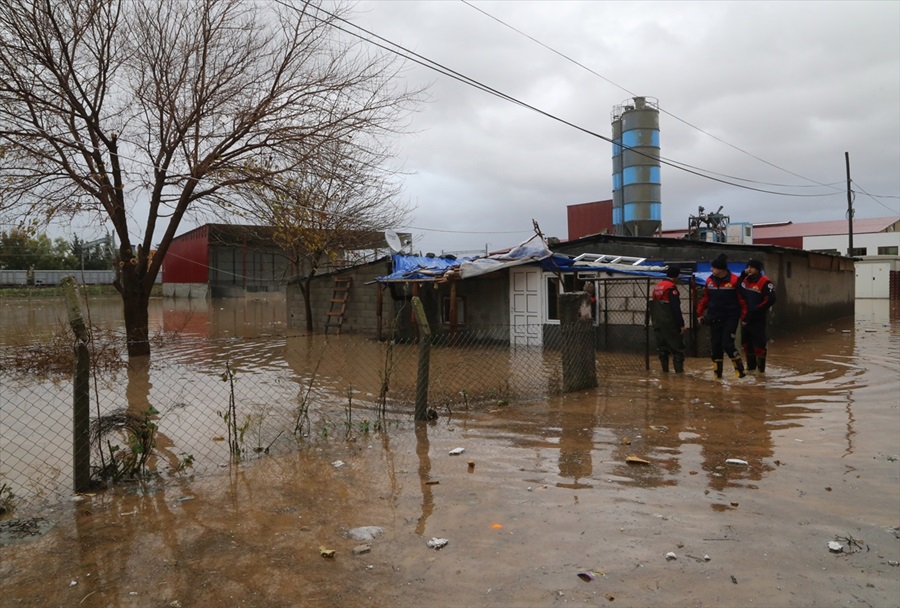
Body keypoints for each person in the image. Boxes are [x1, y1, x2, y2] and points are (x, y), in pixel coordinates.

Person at [697, 253, 747, 379]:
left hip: (730, 317)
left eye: (713, 268)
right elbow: (705, 298)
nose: (711, 270)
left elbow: (743, 301)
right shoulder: (709, 281)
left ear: (721, 269)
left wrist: (745, 317)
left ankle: (740, 371)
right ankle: (717, 374)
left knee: (727, 344)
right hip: (714, 317)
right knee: (715, 346)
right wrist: (700, 312)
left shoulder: (735, 281)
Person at [739, 258, 777, 372]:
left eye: (751, 268)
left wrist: (758, 309)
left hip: (757, 318)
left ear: (757, 269)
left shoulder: (765, 282)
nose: (749, 270)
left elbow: (771, 298)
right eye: (748, 267)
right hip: (745, 318)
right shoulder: (745, 280)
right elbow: (738, 288)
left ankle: (761, 372)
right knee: (746, 344)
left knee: (759, 345)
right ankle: (750, 369)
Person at [649, 264, 686, 373]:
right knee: (678, 349)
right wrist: (681, 324)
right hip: (670, 323)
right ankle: (680, 376)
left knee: (662, 349)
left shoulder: (657, 287)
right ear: (677, 276)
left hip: (657, 322)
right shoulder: (671, 288)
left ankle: (664, 372)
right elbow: (675, 308)